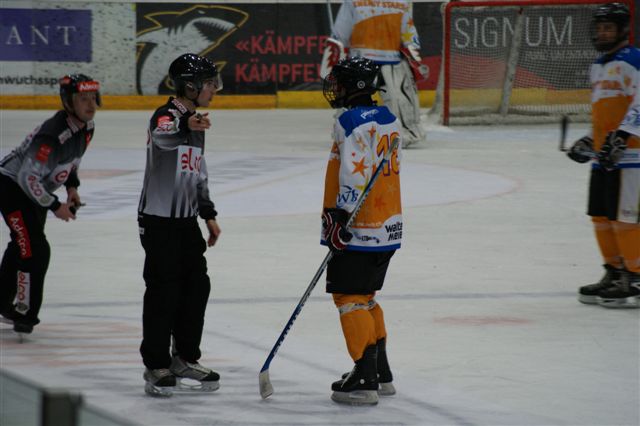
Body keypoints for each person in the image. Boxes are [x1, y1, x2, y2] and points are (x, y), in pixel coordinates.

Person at [137, 53, 223, 396]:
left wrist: (208, 213)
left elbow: (197, 170)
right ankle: (156, 364)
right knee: (164, 291)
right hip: (158, 221)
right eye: (209, 83)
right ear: (190, 86)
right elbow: (163, 136)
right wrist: (187, 125)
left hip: (186, 221)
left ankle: (184, 358)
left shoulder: (194, 121)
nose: (214, 89)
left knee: (196, 287)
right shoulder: (168, 115)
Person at [321, 56, 403, 405]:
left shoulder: (350, 120)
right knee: (366, 296)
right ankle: (380, 372)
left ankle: (365, 378)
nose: (335, 89)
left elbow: (355, 174)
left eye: (340, 83)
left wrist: (340, 217)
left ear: (354, 86)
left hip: (359, 227)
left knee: (349, 298)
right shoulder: (388, 117)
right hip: (389, 225)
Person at [0, 74, 100, 335]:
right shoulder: (53, 135)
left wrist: (72, 187)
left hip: (34, 191)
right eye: (83, 99)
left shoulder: (86, 127)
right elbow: (26, 177)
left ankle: (2, 301)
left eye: (93, 97)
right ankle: (25, 313)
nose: (90, 104)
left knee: (23, 244)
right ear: (68, 102)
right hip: (12, 188)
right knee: (35, 250)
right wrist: (55, 206)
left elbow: (72, 162)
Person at [567, 3, 640, 308]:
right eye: (598, 28)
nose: (602, 33)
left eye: (608, 28)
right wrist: (590, 139)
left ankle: (635, 276)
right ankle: (615, 270)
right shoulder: (598, 65)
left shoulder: (634, 60)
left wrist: (622, 136)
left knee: (625, 218)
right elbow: (604, 112)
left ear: (623, 30)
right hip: (604, 156)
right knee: (600, 217)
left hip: (631, 157)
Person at [326, 0, 426, 148]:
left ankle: (349, 133)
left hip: (364, 61)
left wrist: (336, 51)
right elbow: (410, 37)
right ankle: (400, 134)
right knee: (398, 102)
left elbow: (340, 34)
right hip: (385, 61)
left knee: (356, 100)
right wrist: (413, 52)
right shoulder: (400, 2)